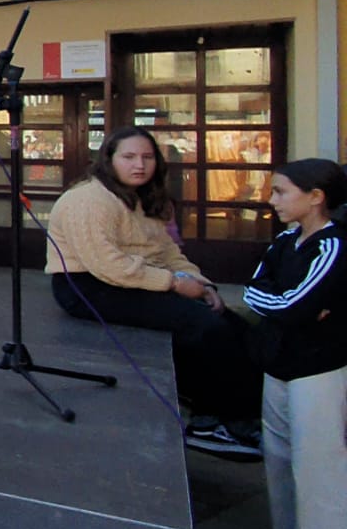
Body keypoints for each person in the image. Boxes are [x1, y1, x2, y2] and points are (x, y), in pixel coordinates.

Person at [45, 126, 262, 458]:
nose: (139, 165)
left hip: (142, 277)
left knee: (234, 324)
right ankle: (211, 422)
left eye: (147, 157)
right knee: (204, 327)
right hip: (87, 286)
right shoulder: (87, 199)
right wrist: (174, 284)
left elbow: (168, 253)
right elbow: (109, 265)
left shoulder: (145, 198)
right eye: (129, 157)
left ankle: (248, 414)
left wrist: (202, 284)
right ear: (108, 159)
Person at [238, 159, 347, 529]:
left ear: (315, 196)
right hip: (279, 365)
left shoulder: (332, 247)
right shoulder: (286, 240)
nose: (272, 200)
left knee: (318, 470)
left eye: (281, 191)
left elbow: (291, 305)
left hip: (317, 371)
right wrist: (286, 304)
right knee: (279, 459)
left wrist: (288, 305)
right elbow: (257, 291)